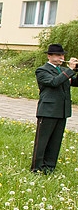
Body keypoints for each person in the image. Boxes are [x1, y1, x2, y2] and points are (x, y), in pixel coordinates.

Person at [31, 44, 78, 174]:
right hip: (48, 110)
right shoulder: (42, 70)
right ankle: (37, 168)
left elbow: (75, 82)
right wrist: (69, 69)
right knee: (42, 141)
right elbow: (54, 82)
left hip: (61, 110)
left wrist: (76, 69)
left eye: (62, 55)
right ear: (49, 56)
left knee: (55, 141)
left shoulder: (61, 70)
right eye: (58, 55)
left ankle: (50, 167)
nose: (61, 58)